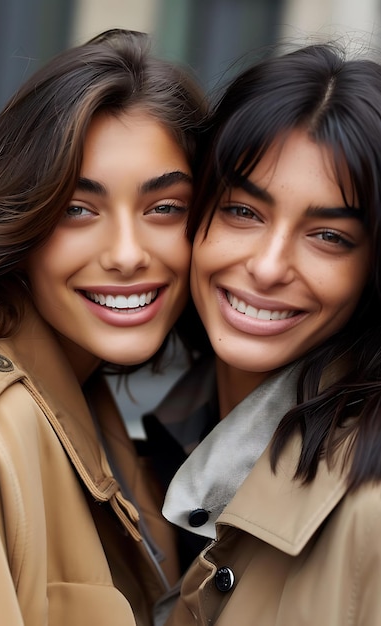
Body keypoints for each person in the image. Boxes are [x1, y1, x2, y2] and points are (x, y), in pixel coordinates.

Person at [0, 28, 207, 626]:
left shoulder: (100, 409)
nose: (126, 254)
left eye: (165, 208)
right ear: (21, 218)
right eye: (78, 209)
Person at [157, 42, 381, 625]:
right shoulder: (140, 435)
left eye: (329, 236)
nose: (267, 265)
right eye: (243, 212)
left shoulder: (371, 514)